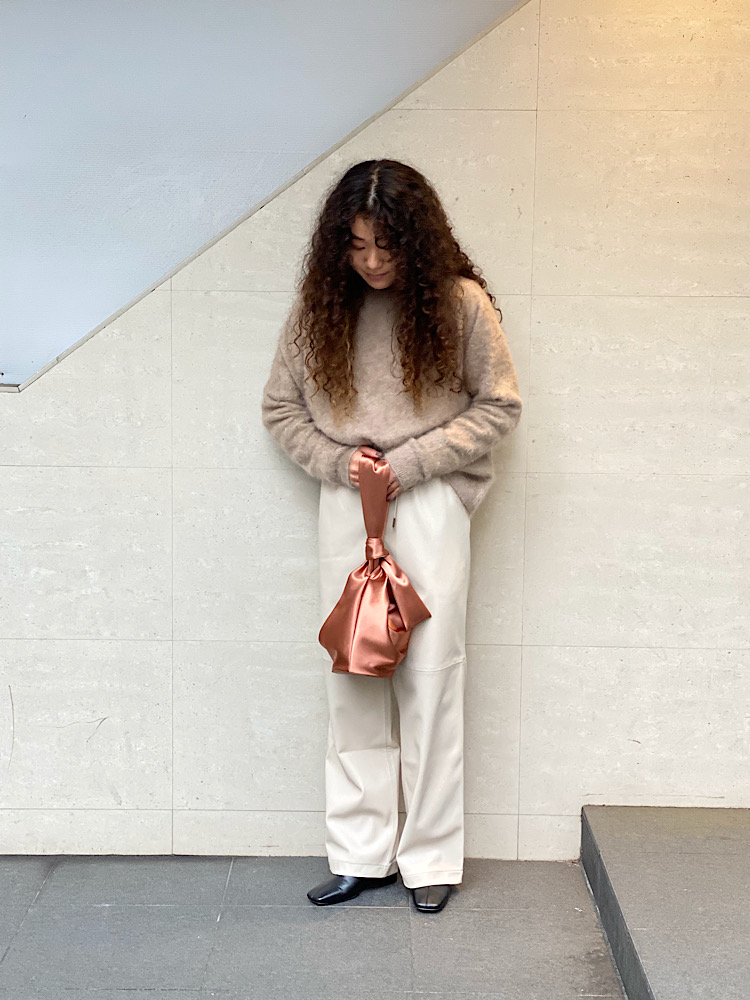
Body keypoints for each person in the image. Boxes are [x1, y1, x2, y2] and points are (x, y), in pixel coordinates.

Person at [261, 158, 522, 913]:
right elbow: (281, 409)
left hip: (430, 498)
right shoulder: (319, 310)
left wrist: (409, 465)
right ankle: (359, 853)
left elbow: (499, 406)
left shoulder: (461, 304)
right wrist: (338, 463)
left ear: (417, 239)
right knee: (353, 676)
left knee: (431, 676)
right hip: (348, 502)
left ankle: (431, 857)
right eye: (356, 245)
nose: (372, 262)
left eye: (386, 245)